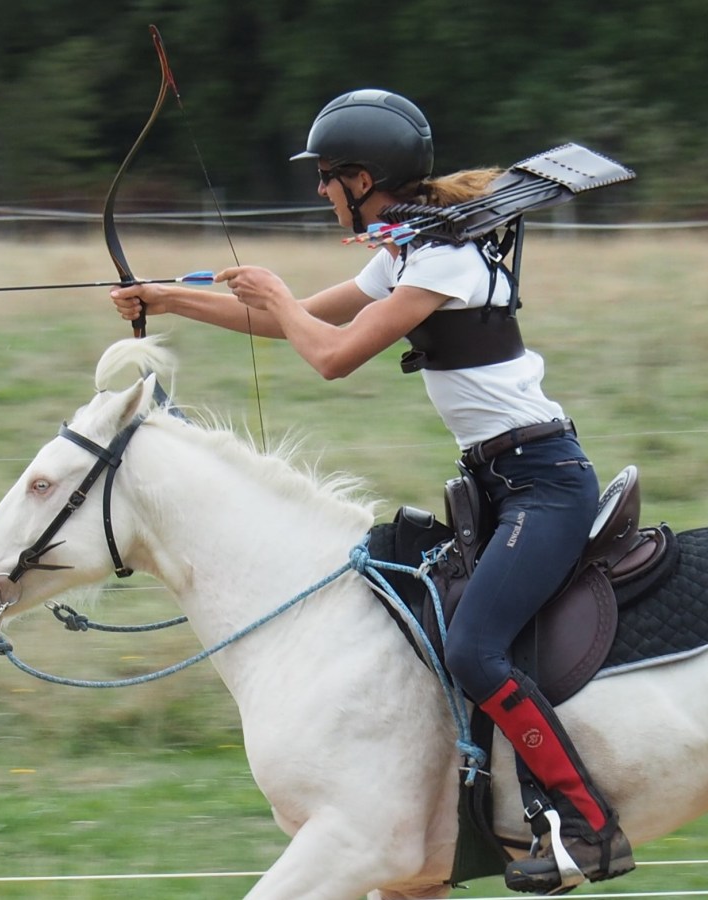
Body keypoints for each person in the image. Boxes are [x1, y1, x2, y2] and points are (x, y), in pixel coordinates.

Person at [110, 88, 634, 893]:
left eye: (327, 178)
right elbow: (290, 323)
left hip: (543, 483)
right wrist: (167, 297)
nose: (320, 193)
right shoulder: (406, 247)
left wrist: (280, 298)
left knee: (473, 649)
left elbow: (330, 354)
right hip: (497, 483)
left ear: (364, 177)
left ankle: (585, 828)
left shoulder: (444, 261)